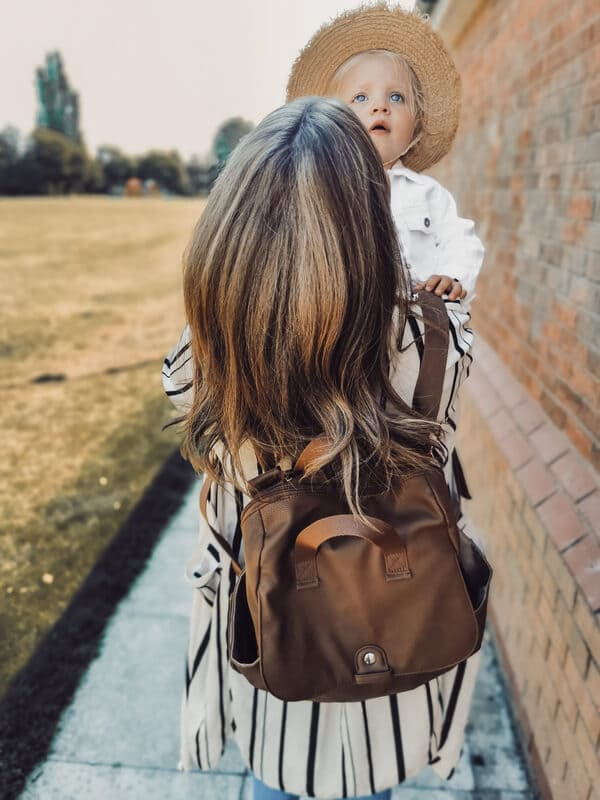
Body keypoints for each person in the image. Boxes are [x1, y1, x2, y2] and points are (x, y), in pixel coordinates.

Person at [163, 97, 480, 800]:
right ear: (372, 219)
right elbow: (443, 440)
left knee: (278, 779)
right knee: (373, 783)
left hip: (276, 645)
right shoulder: (437, 340)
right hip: (401, 635)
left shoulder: (212, 357)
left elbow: (186, 403)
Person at [286, 2, 485, 304]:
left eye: (396, 96)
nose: (380, 107)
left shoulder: (430, 195)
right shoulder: (324, 187)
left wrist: (454, 275)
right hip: (349, 324)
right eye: (361, 97)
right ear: (333, 119)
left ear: (416, 123)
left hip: (418, 332)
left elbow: (461, 241)